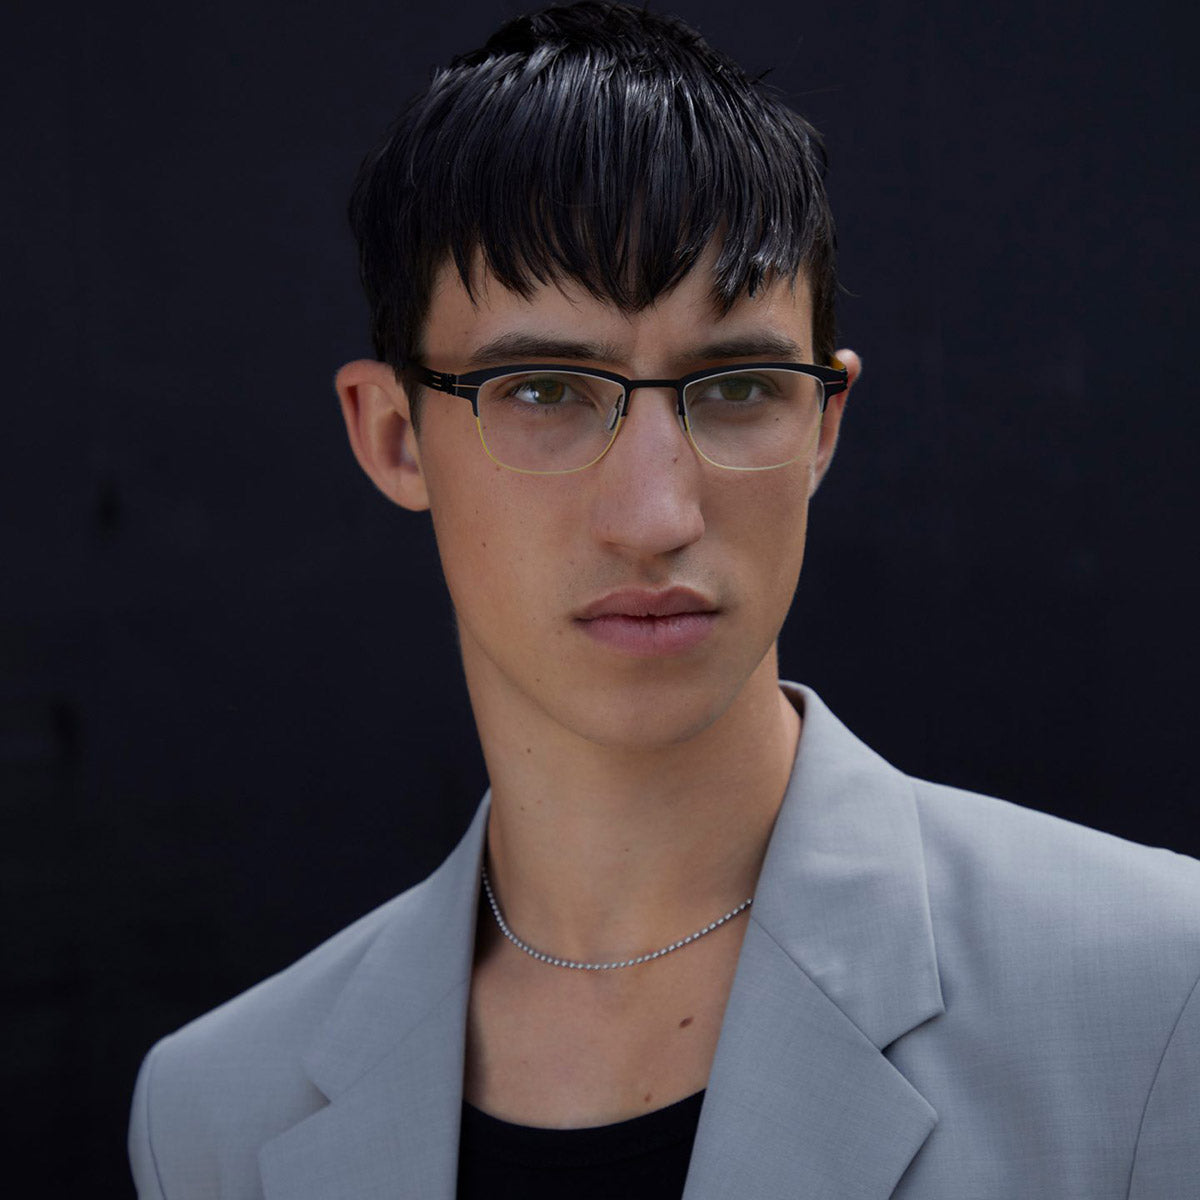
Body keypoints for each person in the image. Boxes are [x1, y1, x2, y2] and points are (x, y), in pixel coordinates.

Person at [128, 3, 1200, 1196]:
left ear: (823, 426)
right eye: (543, 391)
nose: (654, 514)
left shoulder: (1162, 994)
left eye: (737, 387)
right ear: (393, 436)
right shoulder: (215, 1113)